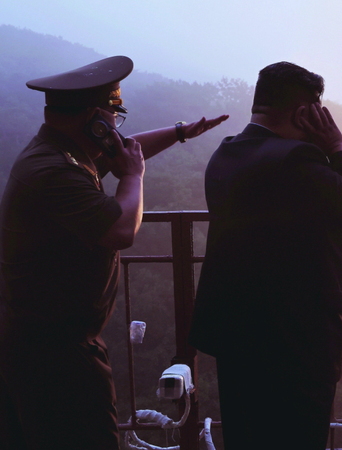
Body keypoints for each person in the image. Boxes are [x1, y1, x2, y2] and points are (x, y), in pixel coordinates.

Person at [0, 55, 228, 449]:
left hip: (44, 342)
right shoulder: (54, 171)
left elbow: (125, 149)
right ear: (95, 120)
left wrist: (180, 132)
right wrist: (133, 176)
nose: (117, 130)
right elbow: (122, 229)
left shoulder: (61, 152)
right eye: (113, 118)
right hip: (54, 354)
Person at [189, 62, 342, 449]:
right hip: (295, 347)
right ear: (304, 113)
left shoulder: (226, 153)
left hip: (236, 338)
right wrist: (337, 146)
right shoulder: (296, 161)